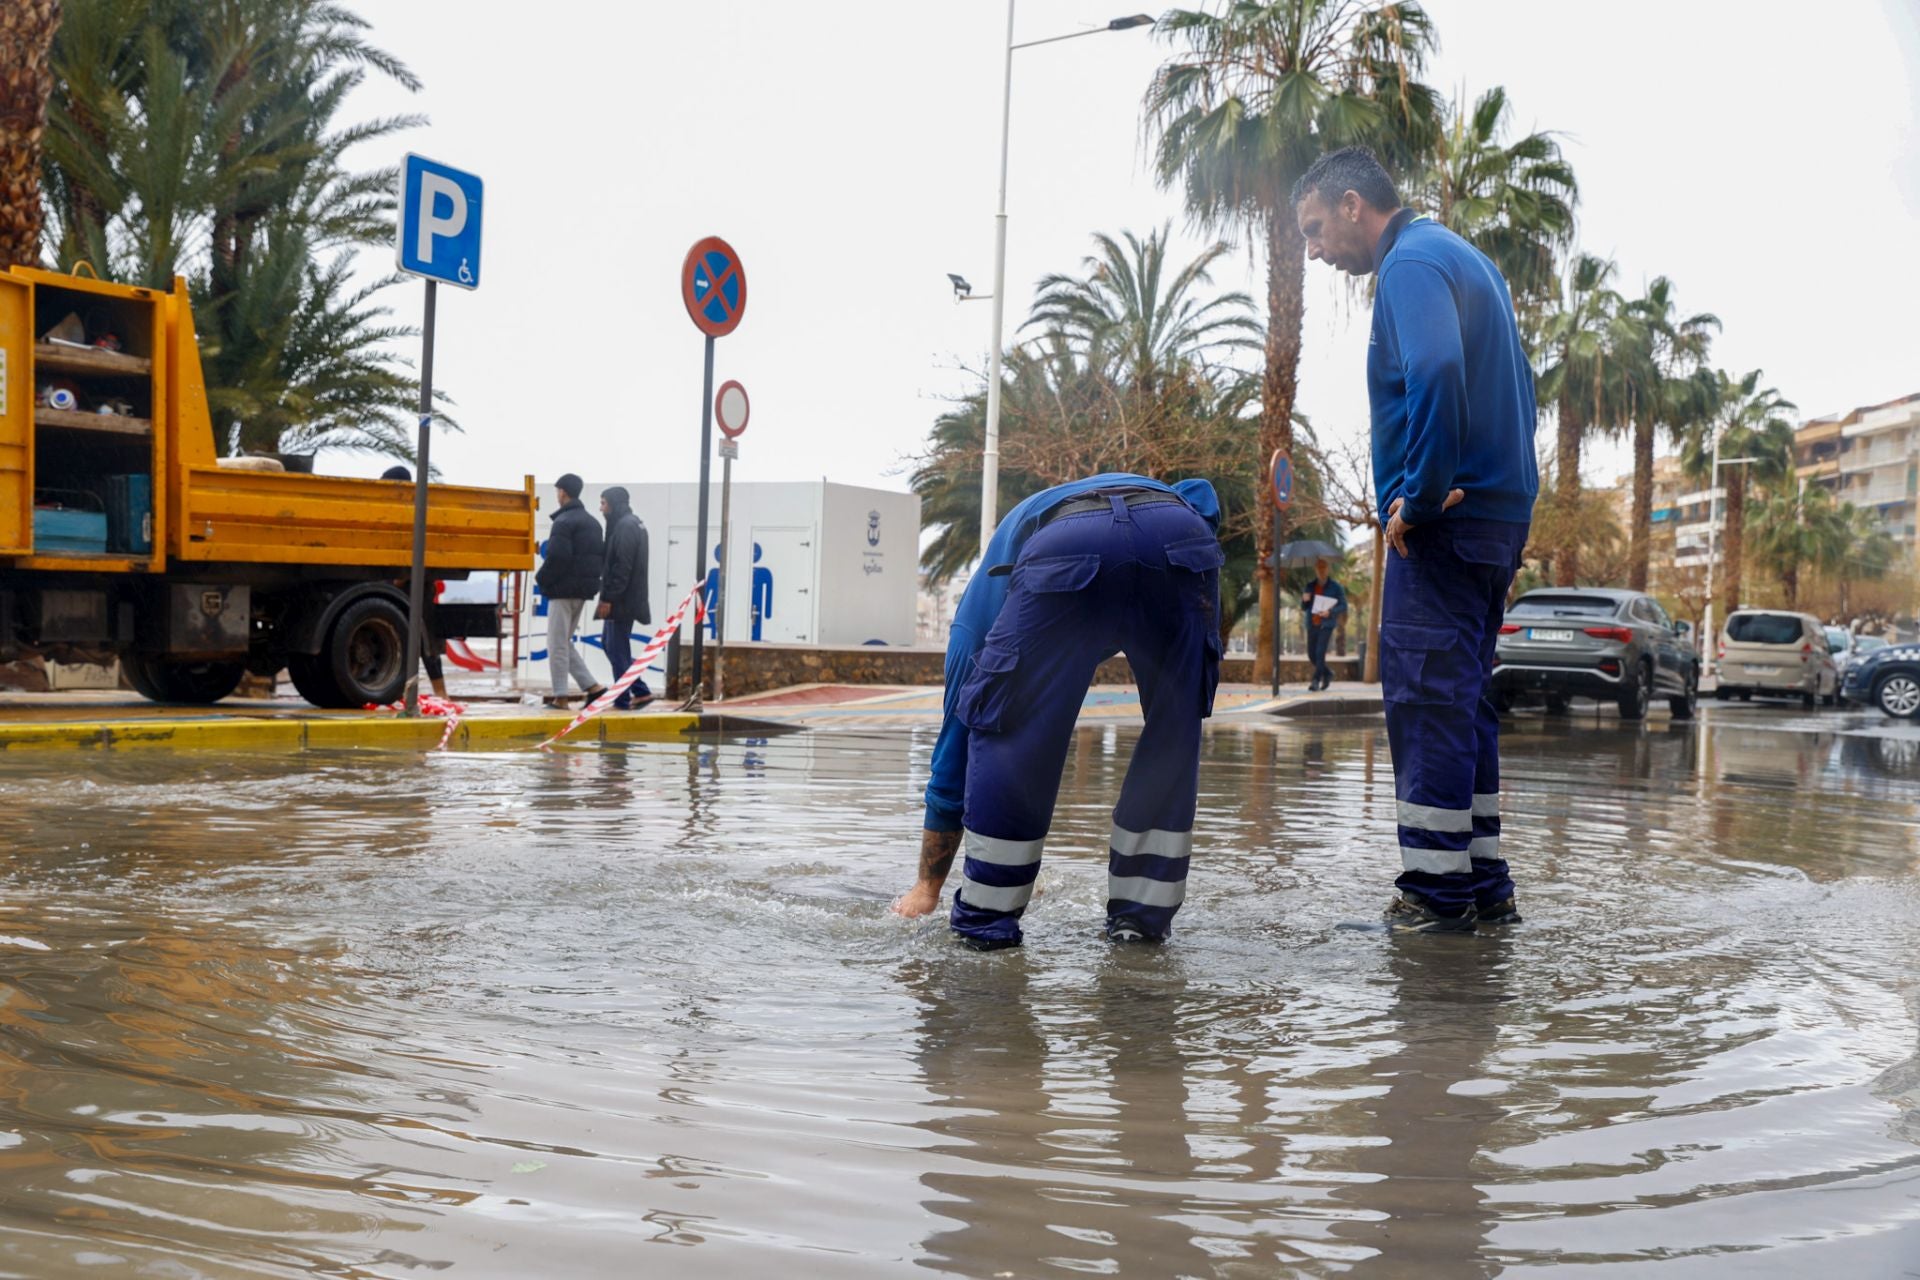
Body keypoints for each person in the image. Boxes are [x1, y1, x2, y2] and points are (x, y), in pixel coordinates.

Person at [1294, 146, 1538, 932]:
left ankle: (1436, 900)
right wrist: (1508, 503)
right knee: (1463, 698)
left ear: (1354, 205)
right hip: (1495, 517)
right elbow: (1523, 393)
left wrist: (1420, 499)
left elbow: (1433, 369)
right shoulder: (1467, 260)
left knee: (1427, 695)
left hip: (1446, 522)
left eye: (1316, 229)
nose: (1316, 250)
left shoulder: (1409, 264)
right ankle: (1483, 881)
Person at [891, 473, 1225, 950]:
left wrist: (928, 887)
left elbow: (957, 740)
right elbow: (1202, 496)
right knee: (1176, 728)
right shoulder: (1168, 498)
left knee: (1004, 722)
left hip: (1070, 546)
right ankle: (1140, 929)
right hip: (1184, 538)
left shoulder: (980, 607)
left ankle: (987, 929)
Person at [535, 473, 608, 709]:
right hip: (583, 590)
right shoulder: (593, 522)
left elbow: (557, 556)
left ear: (563, 492)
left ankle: (561, 697)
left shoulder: (564, 522)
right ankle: (593, 688)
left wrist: (541, 578)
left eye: (557, 491)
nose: (557, 495)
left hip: (562, 590)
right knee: (565, 642)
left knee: (556, 644)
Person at [379, 464, 448, 700]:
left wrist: (402, 578)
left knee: (425, 641)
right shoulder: (397, 511)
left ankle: (441, 693)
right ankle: (405, 692)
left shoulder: (417, 512)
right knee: (403, 640)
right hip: (399, 585)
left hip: (417, 586)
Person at [595, 486, 655, 709]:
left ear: (613, 503)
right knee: (610, 645)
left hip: (622, 600)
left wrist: (608, 598)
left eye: (603, 503)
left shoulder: (625, 527)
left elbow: (622, 567)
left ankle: (622, 699)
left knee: (617, 647)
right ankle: (640, 689)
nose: (601, 508)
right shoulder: (631, 524)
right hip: (625, 597)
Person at [1300, 556, 1348, 692]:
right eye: (1318, 568)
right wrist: (1305, 600)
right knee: (1311, 655)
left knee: (1320, 653)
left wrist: (1331, 611)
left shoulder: (1336, 587)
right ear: (1315, 570)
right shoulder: (1310, 586)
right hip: (1312, 624)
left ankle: (1315, 680)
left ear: (1328, 569)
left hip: (1326, 625)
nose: (1321, 571)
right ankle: (1328, 673)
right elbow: (1304, 607)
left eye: (1323, 568)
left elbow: (1343, 606)